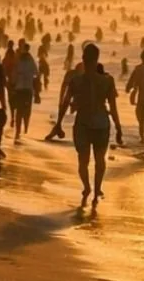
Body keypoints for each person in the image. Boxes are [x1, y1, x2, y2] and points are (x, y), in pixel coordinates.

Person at [53, 42, 124, 214]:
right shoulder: (107, 81)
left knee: (83, 161)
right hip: (101, 124)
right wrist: (119, 129)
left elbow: (64, 104)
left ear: (84, 59)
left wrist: (59, 123)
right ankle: (96, 189)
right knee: (100, 161)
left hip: (83, 125)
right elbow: (113, 108)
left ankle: (87, 187)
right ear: (97, 59)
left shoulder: (75, 80)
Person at [9, 37, 38, 143]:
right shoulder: (27, 60)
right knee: (23, 110)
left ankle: (22, 130)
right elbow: (36, 73)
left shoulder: (22, 60)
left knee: (22, 111)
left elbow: (14, 76)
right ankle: (21, 130)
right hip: (24, 89)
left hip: (22, 88)